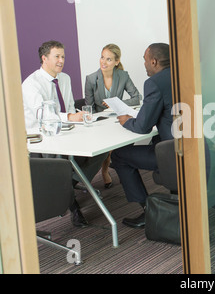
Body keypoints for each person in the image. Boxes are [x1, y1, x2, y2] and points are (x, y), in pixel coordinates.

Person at [22, 40, 108, 227]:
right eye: (57, 57)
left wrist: (77, 119)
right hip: (40, 136)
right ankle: (73, 207)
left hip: (66, 128)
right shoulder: (31, 84)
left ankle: (69, 181)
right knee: (60, 157)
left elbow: (69, 107)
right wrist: (70, 116)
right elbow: (42, 115)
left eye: (63, 56)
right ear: (44, 58)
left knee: (102, 147)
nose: (61, 61)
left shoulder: (65, 78)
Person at [111, 43, 173, 228]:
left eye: (145, 60)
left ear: (154, 61)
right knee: (155, 141)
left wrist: (126, 121)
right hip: (200, 148)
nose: (144, 65)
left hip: (174, 154)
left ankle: (149, 211)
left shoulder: (154, 83)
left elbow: (143, 126)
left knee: (119, 155)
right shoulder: (185, 74)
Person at [85, 44, 141, 188]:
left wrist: (117, 103)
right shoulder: (91, 79)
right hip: (100, 123)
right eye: (102, 57)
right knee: (109, 146)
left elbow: (136, 97)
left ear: (116, 62)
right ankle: (105, 171)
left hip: (118, 119)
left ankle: (118, 168)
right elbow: (89, 109)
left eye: (109, 59)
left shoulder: (123, 76)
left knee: (126, 136)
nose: (103, 62)